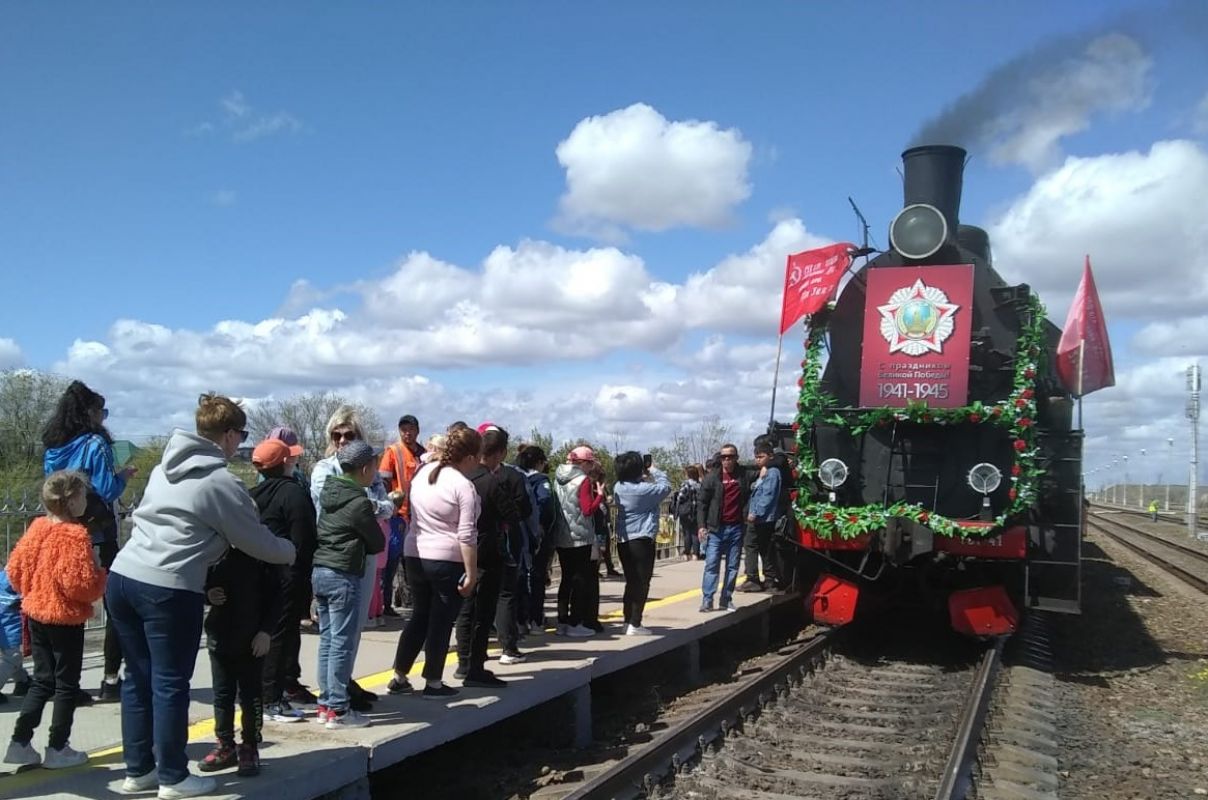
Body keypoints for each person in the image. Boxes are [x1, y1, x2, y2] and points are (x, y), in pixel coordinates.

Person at [105, 393, 296, 799]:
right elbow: (255, 541)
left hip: (123, 576)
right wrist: (291, 550)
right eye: (241, 434)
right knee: (170, 683)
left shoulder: (162, 469)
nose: (240, 441)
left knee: (137, 680)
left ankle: (139, 771)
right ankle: (173, 777)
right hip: (168, 587)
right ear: (228, 435)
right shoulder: (219, 482)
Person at [3, 471, 106, 770]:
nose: (86, 501)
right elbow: (79, 585)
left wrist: (34, 590)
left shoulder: (37, 527)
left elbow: (14, 570)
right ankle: (58, 746)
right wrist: (99, 577)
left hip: (36, 611)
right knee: (66, 685)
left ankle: (20, 742)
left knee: (42, 680)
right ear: (73, 500)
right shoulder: (75, 536)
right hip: (64, 617)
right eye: (84, 496)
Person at [41, 380, 134, 703]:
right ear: (90, 413)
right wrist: (123, 476)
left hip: (59, 530)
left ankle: (60, 681)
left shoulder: (53, 446)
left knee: (62, 603)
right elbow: (107, 489)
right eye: (101, 411)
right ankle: (111, 678)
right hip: (97, 532)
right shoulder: (95, 444)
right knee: (114, 606)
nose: (103, 418)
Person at [387, 427, 482, 698]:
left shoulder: (422, 475)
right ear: (471, 457)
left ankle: (399, 675)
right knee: (441, 620)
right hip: (445, 558)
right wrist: (471, 573)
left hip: (415, 553)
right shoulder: (463, 485)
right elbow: (466, 534)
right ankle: (433, 681)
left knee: (419, 615)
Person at [310, 407, 394, 713]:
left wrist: (373, 504)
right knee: (336, 635)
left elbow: (386, 506)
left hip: (363, 557)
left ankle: (339, 686)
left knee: (352, 627)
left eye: (349, 435)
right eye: (337, 435)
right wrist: (369, 504)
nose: (343, 440)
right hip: (338, 555)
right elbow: (333, 502)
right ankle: (336, 698)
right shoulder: (323, 469)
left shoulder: (368, 472)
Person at [197, 536, 281, 777]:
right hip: (220, 637)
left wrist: (266, 632)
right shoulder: (216, 553)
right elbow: (198, 582)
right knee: (222, 695)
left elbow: (277, 598)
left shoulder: (263, 556)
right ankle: (225, 744)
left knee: (251, 696)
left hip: (252, 640)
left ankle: (250, 746)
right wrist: (208, 594)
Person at [248, 438, 317, 724]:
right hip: (287, 572)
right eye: (291, 458)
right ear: (284, 463)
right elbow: (305, 537)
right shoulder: (293, 494)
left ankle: (261, 693)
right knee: (281, 634)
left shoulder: (251, 494)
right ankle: (272, 699)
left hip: (256, 571)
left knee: (261, 634)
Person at [455, 428, 522, 687]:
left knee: (465, 610)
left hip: (460, 550)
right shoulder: (491, 483)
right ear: (500, 453)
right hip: (487, 550)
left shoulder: (461, 478)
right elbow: (513, 514)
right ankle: (475, 667)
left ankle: (462, 661)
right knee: (483, 612)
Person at [613, 452, 672, 635]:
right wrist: (652, 469)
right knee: (642, 582)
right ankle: (635, 623)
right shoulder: (644, 490)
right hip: (642, 539)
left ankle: (627, 620)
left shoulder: (618, 487)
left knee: (631, 581)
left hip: (624, 540)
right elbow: (666, 486)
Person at [553, 447, 605, 637]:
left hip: (561, 534)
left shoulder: (557, 478)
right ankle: (576, 623)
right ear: (582, 463)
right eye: (590, 463)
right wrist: (599, 495)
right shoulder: (582, 481)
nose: (591, 467)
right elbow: (587, 510)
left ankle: (562, 621)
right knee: (580, 580)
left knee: (566, 579)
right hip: (580, 536)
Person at [697, 443, 751, 613]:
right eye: (723, 457)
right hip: (716, 529)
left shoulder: (744, 475)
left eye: (730, 457)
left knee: (732, 566)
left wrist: (766, 468)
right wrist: (701, 526)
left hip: (736, 528)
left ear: (736, 458)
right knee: (711, 564)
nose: (726, 460)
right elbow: (702, 503)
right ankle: (707, 600)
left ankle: (726, 599)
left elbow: (762, 464)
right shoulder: (712, 478)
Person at [379, 415, 425, 614]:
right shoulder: (393, 452)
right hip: (398, 517)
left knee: (416, 562)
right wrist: (391, 507)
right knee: (391, 561)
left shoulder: (424, 454)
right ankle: (385, 603)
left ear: (417, 430)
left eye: (411, 429)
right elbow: (383, 482)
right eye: (404, 429)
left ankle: (416, 602)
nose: (407, 433)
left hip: (420, 516)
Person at [515, 445, 557, 632]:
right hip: (537, 533)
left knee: (521, 576)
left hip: (518, 531)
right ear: (539, 462)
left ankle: (521, 619)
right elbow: (545, 501)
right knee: (538, 576)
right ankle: (535, 619)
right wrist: (541, 525)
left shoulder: (515, 476)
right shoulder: (541, 480)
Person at [740, 441, 782, 593]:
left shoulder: (772, 473)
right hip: (762, 517)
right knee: (764, 547)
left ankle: (753, 578)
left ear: (770, 456)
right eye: (756, 457)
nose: (758, 460)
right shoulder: (766, 473)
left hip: (762, 518)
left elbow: (767, 496)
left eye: (761, 456)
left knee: (751, 545)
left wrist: (755, 513)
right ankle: (769, 579)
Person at [0, 569, 31, 701]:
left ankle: (23, 681)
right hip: (11, 627)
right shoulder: (24, 579)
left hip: (5, 623)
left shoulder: (3, 576)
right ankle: (22, 682)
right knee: (13, 657)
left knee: (13, 657)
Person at [673, 466, 703, 561]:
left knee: (687, 533)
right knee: (695, 533)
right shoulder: (699, 484)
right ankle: (696, 554)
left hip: (686, 513)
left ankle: (686, 553)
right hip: (697, 512)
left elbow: (680, 497)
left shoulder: (686, 484)